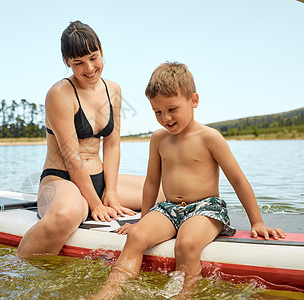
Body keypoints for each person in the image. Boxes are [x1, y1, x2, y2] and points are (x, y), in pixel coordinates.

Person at [96, 62, 286, 298]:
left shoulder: (210, 137)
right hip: (168, 208)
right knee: (136, 237)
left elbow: (237, 180)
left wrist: (256, 222)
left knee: (186, 244)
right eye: (157, 112)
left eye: (172, 109)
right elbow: (152, 183)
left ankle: (184, 295)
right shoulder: (158, 139)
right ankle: (109, 291)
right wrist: (143, 221)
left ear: (193, 100)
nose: (165, 118)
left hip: (206, 209)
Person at [17, 21, 165, 258]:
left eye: (93, 57)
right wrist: (96, 205)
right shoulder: (60, 94)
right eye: (78, 63)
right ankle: (12, 268)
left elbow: (113, 143)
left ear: (101, 50)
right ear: (67, 62)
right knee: (66, 215)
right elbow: (71, 157)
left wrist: (112, 193)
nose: (89, 68)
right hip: (62, 180)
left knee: (167, 189)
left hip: (100, 179)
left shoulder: (113, 89)